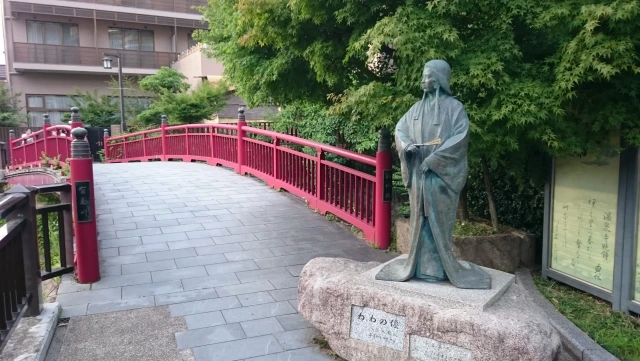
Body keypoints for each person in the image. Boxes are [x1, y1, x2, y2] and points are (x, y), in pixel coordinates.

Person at [375, 59, 491, 289]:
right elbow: (400, 129)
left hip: (439, 179)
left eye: (427, 76)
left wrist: (435, 160)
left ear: (438, 81)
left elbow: (460, 138)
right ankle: (418, 267)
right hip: (419, 174)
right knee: (420, 219)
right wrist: (407, 145)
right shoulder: (415, 109)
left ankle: (438, 269)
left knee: (438, 222)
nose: (423, 81)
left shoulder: (454, 108)